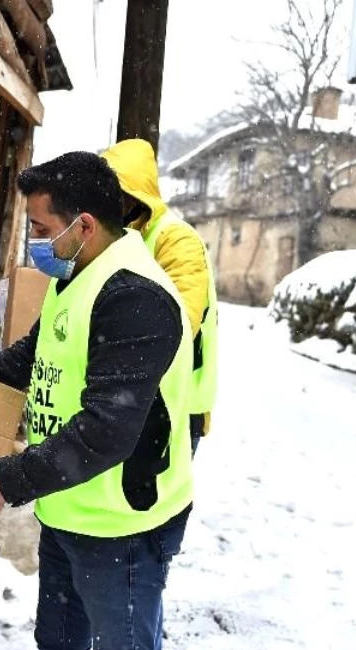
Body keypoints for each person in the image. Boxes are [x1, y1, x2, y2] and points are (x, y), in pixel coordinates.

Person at [0, 153, 195, 650]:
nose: (35, 242)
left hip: (123, 524)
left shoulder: (137, 298)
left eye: (40, 228)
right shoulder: (75, 278)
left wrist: (7, 480)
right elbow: (26, 362)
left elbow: (107, 430)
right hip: (67, 509)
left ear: (83, 225)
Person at [101, 138, 219, 453]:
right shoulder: (117, 237)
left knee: (157, 501)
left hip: (172, 406)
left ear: (134, 195)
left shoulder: (174, 238)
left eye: (114, 194)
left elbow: (180, 324)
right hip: (128, 403)